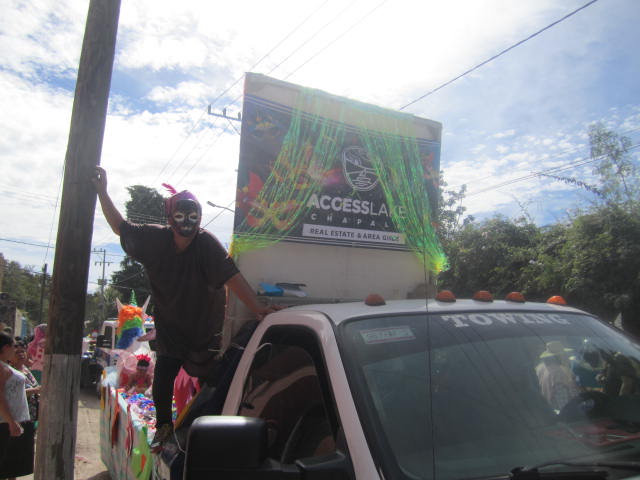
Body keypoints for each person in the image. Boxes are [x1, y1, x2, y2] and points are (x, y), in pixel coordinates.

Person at [93, 166, 281, 450]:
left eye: (193, 216)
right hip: (171, 327)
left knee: (214, 381)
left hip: (205, 329)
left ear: (200, 218)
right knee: (165, 375)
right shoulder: (154, 239)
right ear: (170, 218)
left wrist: (257, 308)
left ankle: (226, 429)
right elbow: (120, 226)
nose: (187, 222)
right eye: (181, 216)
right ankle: (165, 427)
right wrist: (102, 192)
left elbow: (232, 277)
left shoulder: (206, 244)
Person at [0, 332, 35, 479]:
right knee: (6, 465)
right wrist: (11, 422)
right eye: (14, 347)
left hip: (14, 421)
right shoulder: (2, 369)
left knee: (11, 467)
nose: (15, 350)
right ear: (6, 347)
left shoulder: (4, 366)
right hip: (6, 423)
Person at [8, 341, 40, 424]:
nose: (21, 354)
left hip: (30, 415)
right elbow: (12, 393)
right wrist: (35, 390)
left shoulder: (25, 369)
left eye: (22, 351)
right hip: (17, 416)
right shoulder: (10, 372)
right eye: (16, 352)